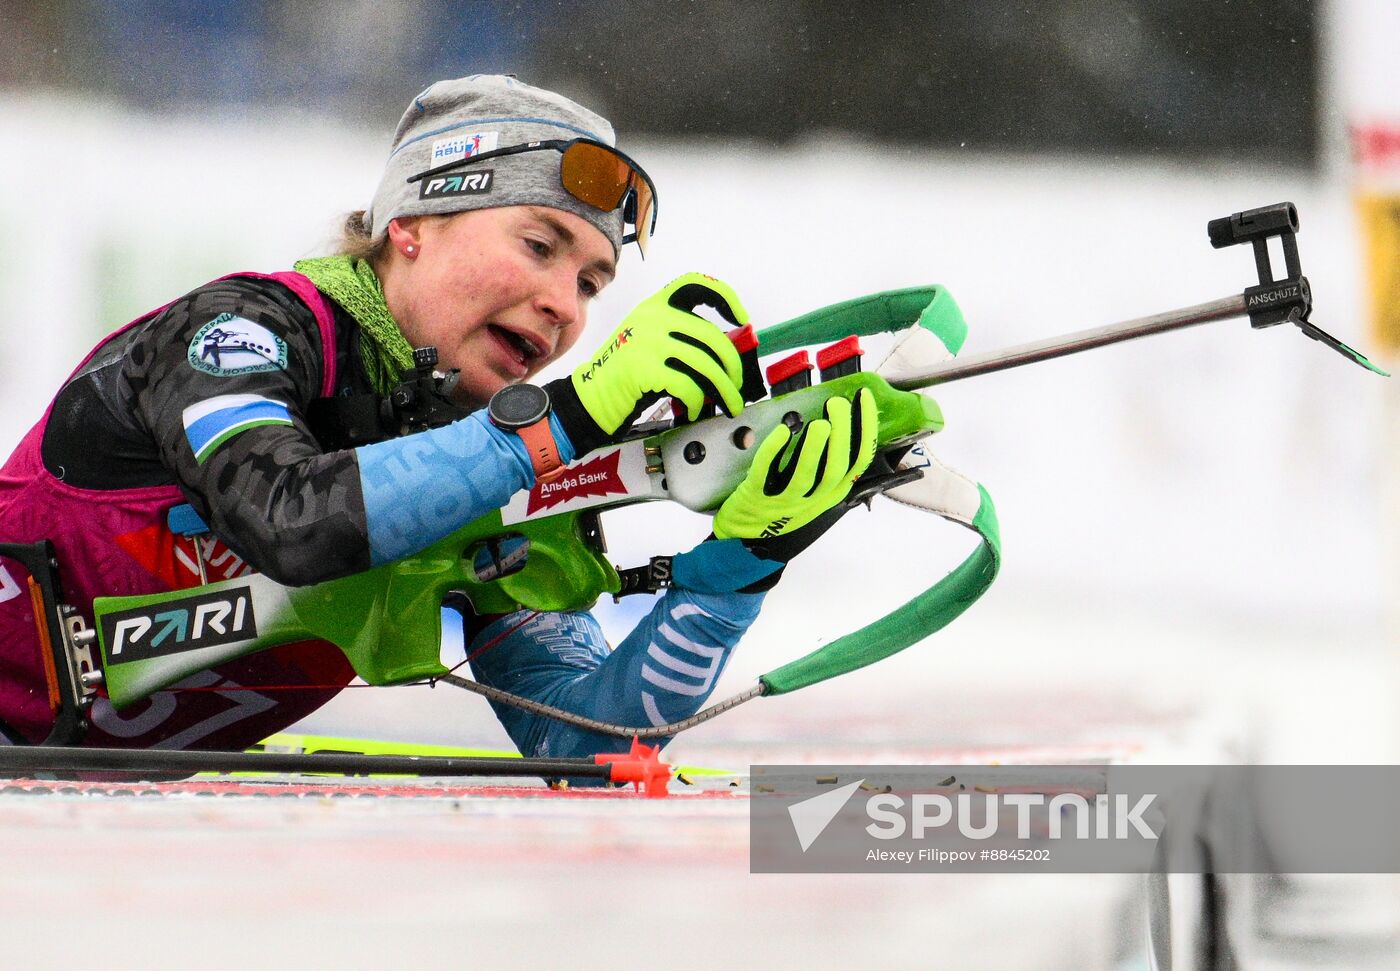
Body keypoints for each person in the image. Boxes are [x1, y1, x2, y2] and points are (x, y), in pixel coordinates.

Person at [0, 75, 875, 765]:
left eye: (590, 284)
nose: (563, 307)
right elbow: (291, 521)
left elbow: (583, 741)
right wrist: (560, 423)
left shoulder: (498, 452)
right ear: (412, 221)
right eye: (539, 246)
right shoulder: (242, 331)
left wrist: (731, 575)